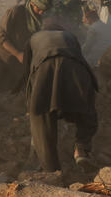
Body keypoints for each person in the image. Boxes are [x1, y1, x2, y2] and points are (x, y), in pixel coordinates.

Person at [23, 29, 98, 173]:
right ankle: (81, 149)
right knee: (86, 109)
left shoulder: (33, 38)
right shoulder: (70, 35)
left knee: (40, 118)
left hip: (45, 70)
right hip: (76, 68)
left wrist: (31, 103)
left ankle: (51, 169)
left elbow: (28, 74)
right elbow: (80, 56)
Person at [0, 0, 52, 102]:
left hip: (18, 61)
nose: (41, 13)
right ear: (32, 4)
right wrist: (18, 54)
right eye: (39, 9)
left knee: (11, 90)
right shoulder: (15, 11)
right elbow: (1, 36)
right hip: (1, 57)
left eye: (44, 10)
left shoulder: (38, 20)